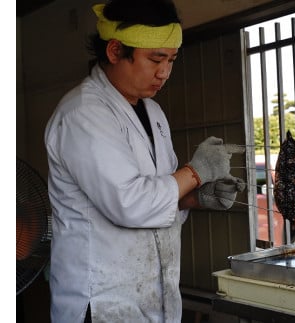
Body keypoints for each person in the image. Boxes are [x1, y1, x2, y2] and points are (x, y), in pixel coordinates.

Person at [44, 0, 245, 322]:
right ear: (114, 51)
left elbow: (157, 198)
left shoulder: (152, 111)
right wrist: (196, 172)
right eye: (155, 59)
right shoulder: (84, 113)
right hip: (102, 300)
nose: (164, 72)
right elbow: (130, 204)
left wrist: (193, 199)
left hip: (152, 294)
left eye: (171, 60)